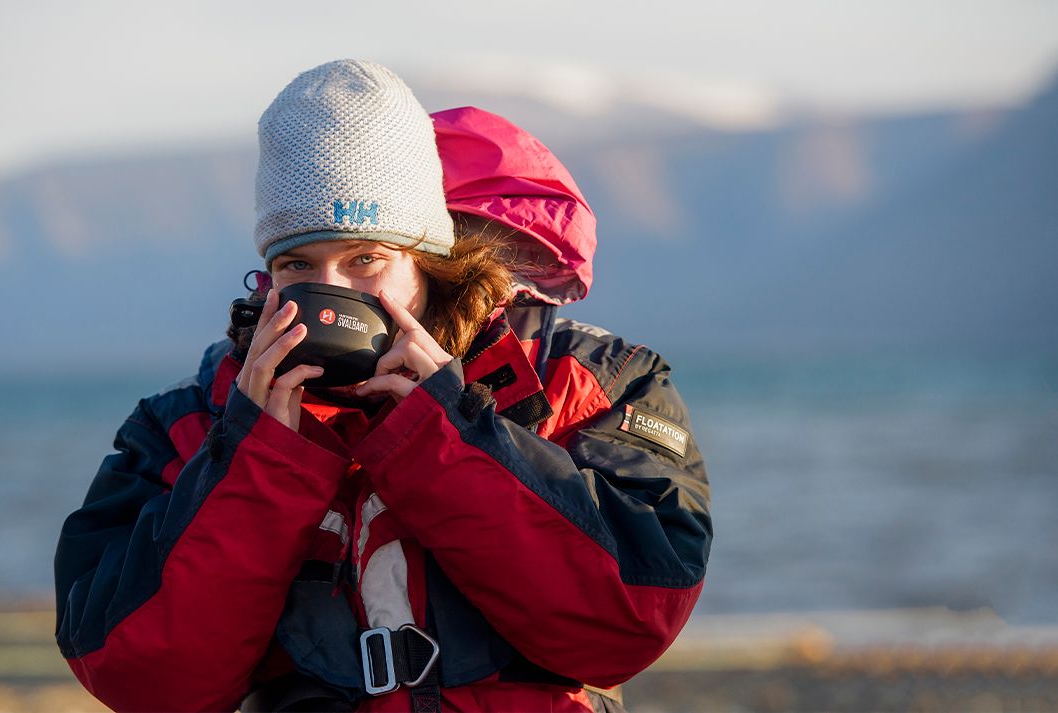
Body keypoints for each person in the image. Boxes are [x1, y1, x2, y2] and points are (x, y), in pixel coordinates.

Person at [54, 59, 711, 713]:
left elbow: (630, 621)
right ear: (268, 273)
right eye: (298, 264)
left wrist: (445, 427)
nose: (332, 291)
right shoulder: (194, 418)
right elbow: (140, 678)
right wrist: (259, 454)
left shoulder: (587, 382)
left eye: (365, 258)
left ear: (427, 260)